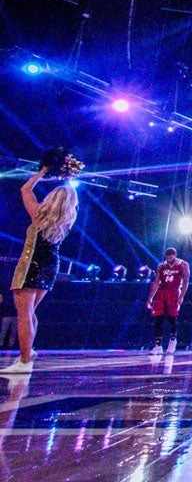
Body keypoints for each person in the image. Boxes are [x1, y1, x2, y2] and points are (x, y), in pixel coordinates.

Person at [4, 159, 80, 374]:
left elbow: (25, 189)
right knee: (30, 312)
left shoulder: (39, 215)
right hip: (50, 266)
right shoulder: (68, 219)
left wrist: (43, 171)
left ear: (51, 199)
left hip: (31, 264)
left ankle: (25, 360)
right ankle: (30, 352)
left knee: (24, 314)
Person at [146, 247, 190, 357]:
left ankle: (173, 339)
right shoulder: (161, 266)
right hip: (162, 292)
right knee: (158, 319)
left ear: (175, 255)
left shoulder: (183, 264)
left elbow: (186, 281)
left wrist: (182, 296)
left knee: (172, 318)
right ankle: (158, 345)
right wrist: (150, 298)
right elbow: (156, 282)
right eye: (167, 258)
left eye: (171, 257)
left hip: (174, 292)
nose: (169, 259)